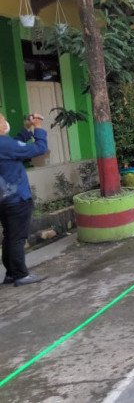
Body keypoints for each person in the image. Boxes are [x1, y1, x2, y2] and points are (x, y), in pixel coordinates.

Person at [0, 112, 48, 286]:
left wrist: (27, 128)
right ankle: (21, 275)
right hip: (17, 198)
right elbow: (39, 149)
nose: (5, 122)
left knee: (9, 236)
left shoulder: (6, 144)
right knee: (17, 238)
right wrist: (38, 128)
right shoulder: (4, 144)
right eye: (3, 119)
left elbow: (14, 145)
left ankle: (12, 274)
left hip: (4, 199)